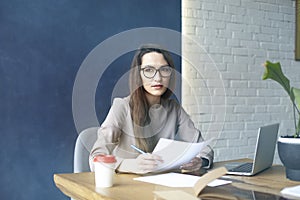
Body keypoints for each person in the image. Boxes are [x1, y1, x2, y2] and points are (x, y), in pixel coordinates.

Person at [89, 44, 213, 174]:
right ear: (138, 75)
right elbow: (96, 158)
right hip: (127, 186)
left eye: (164, 70)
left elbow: (203, 148)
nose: (158, 78)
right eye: (149, 70)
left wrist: (200, 161)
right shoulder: (122, 106)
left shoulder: (174, 109)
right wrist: (129, 164)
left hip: (161, 184)